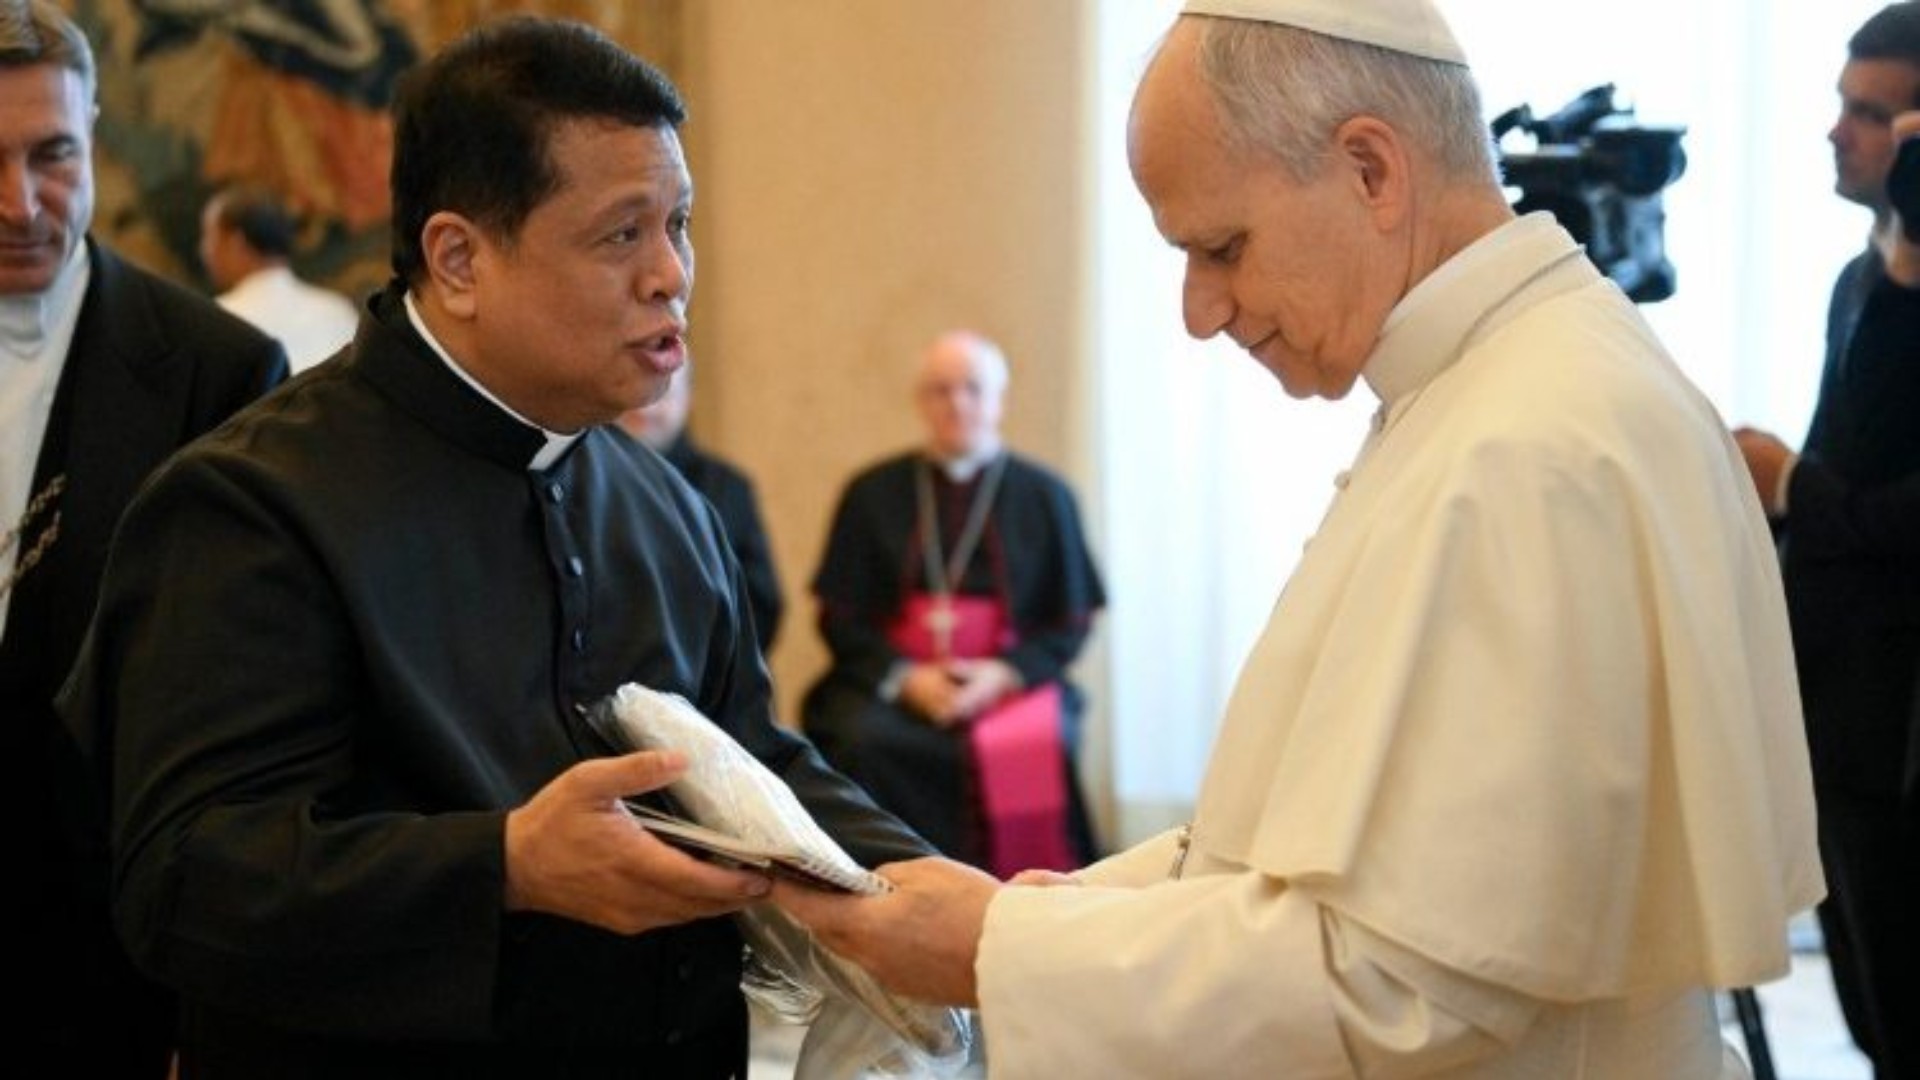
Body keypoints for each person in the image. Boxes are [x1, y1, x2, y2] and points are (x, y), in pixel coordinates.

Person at [774, 2, 1825, 1076]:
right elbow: (1303, 841)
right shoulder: (1484, 388)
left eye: (1221, 248)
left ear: (1371, 169)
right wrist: (1071, 909)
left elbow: (1405, 987)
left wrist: (996, 948)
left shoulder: (1531, 444)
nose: (1199, 311)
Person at [59, 15, 929, 1077]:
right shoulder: (249, 504)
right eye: (622, 234)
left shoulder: (667, 505)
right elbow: (184, 882)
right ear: (460, 259)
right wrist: (506, 865)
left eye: (680, 223)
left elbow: (747, 759)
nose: (672, 274)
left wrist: (918, 879)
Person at [0, 2, 288, 1074]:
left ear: (97, 136)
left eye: (52, 155)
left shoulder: (220, 372)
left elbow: (246, 720)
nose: (18, 203)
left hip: (107, 955)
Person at [1732, 5, 1920, 1075]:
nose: (1837, 132)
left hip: (1904, 740)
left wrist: (1797, 484)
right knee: (1865, 1002)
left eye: (1869, 113)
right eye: (1839, 105)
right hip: (1836, 718)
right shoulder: (1860, 279)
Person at [798, 329, 1106, 880]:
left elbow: (1072, 621)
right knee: (863, 740)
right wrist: (905, 677)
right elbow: (840, 617)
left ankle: (1023, 904)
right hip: (898, 681)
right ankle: (883, 888)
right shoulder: (872, 491)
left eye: (972, 388)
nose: (957, 403)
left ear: (999, 399)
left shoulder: (1045, 495)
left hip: (1007, 684)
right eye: (940, 390)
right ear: (920, 401)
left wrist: (1004, 674)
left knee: (1037, 744)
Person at [615, 358, 785, 653]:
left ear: (688, 400)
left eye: (661, 394)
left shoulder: (726, 487)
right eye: (631, 392)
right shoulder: (569, 479)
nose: (645, 409)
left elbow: (759, 605)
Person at [198, 181, 360, 372]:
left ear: (236, 243)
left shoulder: (213, 325)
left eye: (209, 237)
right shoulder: (336, 309)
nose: (203, 251)